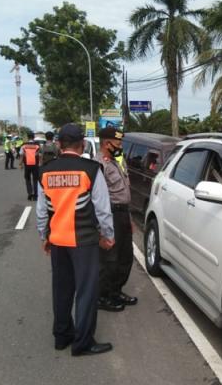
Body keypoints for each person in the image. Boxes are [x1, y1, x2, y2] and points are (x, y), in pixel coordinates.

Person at [36, 123, 115, 356]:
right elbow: (102, 208)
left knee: (61, 290)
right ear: (82, 144)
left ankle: (62, 337)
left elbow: (41, 211)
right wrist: (108, 235)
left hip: (58, 240)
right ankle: (82, 343)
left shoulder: (46, 171)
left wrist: (44, 236)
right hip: (84, 241)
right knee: (86, 292)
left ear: (59, 144)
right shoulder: (91, 169)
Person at [95, 127, 138, 312]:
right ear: (107, 144)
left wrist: (129, 218)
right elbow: (97, 199)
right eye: (118, 144)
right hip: (109, 214)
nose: (120, 147)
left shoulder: (117, 161)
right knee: (109, 259)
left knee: (125, 256)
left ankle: (116, 290)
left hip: (122, 214)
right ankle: (102, 296)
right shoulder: (99, 165)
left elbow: (124, 191)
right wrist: (101, 228)